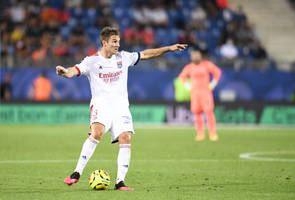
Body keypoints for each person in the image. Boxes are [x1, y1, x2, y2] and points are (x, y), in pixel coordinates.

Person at [56, 26, 187, 190]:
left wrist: (168, 48)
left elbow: (146, 54)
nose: (118, 45)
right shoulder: (91, 61)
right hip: (101, 105)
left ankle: (120, 182)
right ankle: (76, 173)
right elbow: (72, 72)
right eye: (114, 42)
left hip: (121, 108)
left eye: (118, 41)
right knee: (97, 133)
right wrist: (63, 72)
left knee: (126, 138)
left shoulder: (123, 57)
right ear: (104, 43)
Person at [178, 48, 221, 142]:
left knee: (209, 112)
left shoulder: (206, 65)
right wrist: (187, 86)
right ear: (191, 57)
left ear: (200, 56)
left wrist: (213, 83)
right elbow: (182, 77)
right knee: (197, 114)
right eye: (194, 55)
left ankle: (212, 134)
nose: (195, 57)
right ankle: (200, 134)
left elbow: (217, 72)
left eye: (197, 55)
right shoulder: (189, 67)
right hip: (195, 93)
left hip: (206, 92)